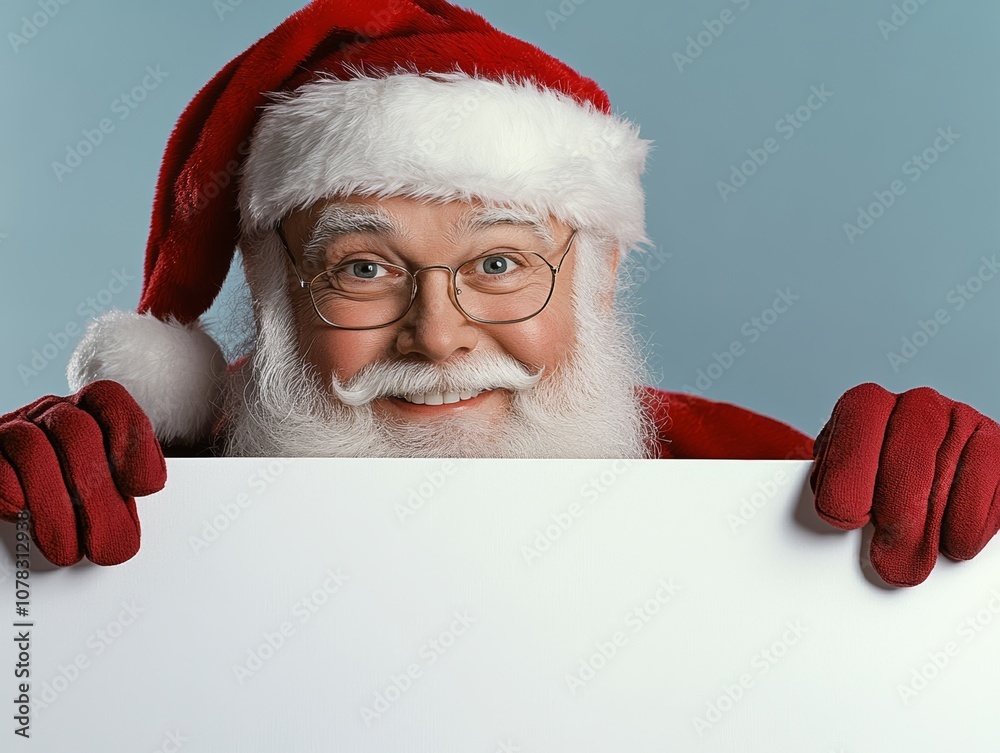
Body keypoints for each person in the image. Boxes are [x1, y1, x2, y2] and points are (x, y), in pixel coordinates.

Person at [1, 0, 997, 588]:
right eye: (361, 269)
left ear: (596, 279)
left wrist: (971, 583)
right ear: (274, 299)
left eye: (497, 265)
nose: (437, 339)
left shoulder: (752, 489)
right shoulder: (142, 502)